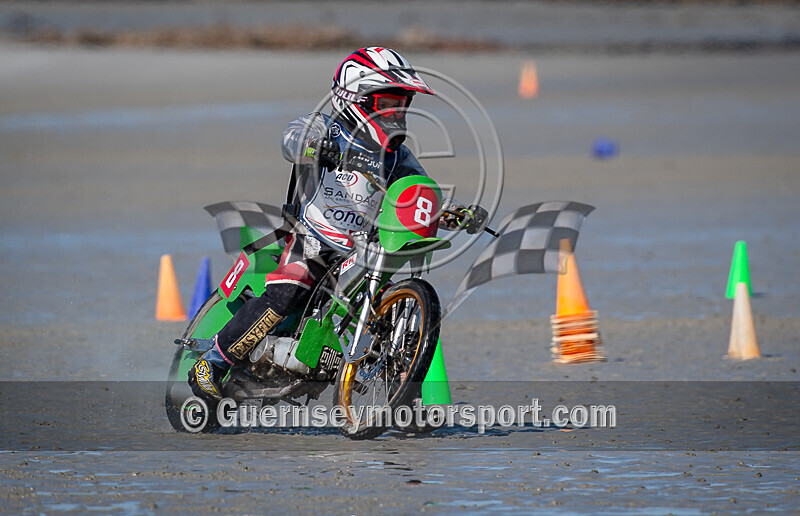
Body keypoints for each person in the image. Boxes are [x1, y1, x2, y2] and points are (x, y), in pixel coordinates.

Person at [189, 47, 488, 400]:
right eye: (386, 103)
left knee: (380, 304)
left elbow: (417, 192)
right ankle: (212, 363)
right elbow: (292, 139)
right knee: (288, 291)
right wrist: (319, 147)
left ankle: (397, 387)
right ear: (353, 98)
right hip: (312, 239)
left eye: (401, 104)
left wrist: (454, 212)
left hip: (362, 249)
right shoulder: (326, 127)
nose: (395, 113)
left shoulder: (398, 157)